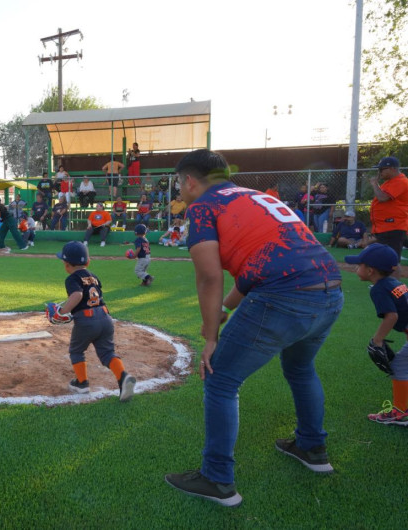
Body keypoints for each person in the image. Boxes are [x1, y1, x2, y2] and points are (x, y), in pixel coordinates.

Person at [165, 149, 343, 508]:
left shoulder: (202, 206)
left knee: (221, 379)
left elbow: (209, 276)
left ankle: (217, 479)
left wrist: (211, 336)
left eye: (178, 184)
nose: (179, 192)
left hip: (284, 296)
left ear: (189, 180)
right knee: (300, 368)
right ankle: (312, 447)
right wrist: (227, 309)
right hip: (330, 292)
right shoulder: (257, 196)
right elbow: (261, 260)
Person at [53, 241, 137, 401]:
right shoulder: (94, 277)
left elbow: (77, 295)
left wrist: (62, 312)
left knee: (76, 351)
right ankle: (123, 377)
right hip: (105, 317)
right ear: (88, 262)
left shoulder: (71, 278)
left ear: (66, 264)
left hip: (86, 320)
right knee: (107, 353)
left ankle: (82, 384)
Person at [344, 244, 408, 425]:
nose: (356, 268)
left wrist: (377, 339)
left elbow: (392, 316)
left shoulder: (379, 288)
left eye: (359, 265)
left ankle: (401, 411)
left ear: (370, 270)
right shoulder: (395, 282)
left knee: (399, 367)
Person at [369, 156, 408, 263]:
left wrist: (374, 184)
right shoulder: (390, 182)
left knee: (392, 262)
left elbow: (382, 198)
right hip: (386, 227)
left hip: (393, 227)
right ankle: (387, 280)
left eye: (382, 169)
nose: (379, 172)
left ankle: (394, 280)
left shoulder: (400, 181)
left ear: (392, 169)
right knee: (385, 261)